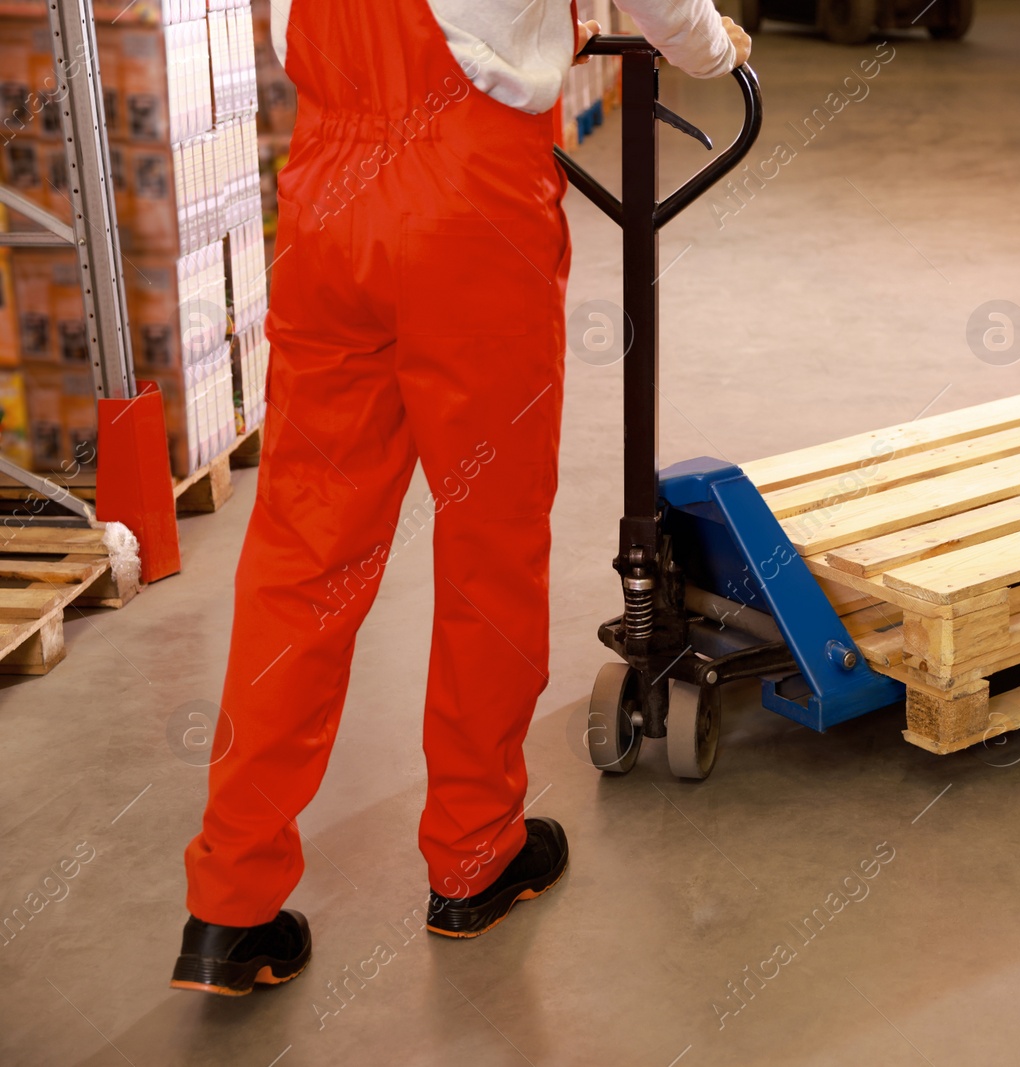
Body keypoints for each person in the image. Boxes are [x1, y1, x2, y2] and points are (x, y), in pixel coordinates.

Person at [169, 0, 752, 996]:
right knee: (489, 538)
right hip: (468, 202)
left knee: (303, 549)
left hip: (329, 193)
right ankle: (476, 854)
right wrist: (709, 46)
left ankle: (231, 904)